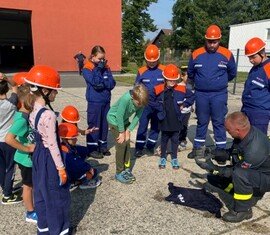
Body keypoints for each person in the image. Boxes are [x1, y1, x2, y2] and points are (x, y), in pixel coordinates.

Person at [196, 112, 270, 223]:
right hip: (254, 172)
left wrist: (215, 168)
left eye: (228, 130)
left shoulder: (254, 150)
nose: (227, 132)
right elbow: (232, 153)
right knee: (213, 179)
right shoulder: (245, 135)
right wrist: (212, 153)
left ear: (238, 130)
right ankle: (244, 192)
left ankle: (243, 210)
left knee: (239, 174)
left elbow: (237, 171)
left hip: (265, 178)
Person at [25, 65, 70, 235]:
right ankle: (59, 231)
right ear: (44, 90)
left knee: (41, 194)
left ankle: (43, 229)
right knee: (57, 196)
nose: (55, 93)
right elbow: (52, 144)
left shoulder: (33, 110)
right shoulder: (49, 115)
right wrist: (61, 168)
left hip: (37, 156)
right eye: (53, 90)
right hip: (49, 158)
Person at [187, 24, 237, 159]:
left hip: (219, 95)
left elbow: (232, 73)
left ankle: (221, 151)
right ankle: (198, 149)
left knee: (218, 121)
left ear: (219, 40)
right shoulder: (196, 54)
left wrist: (218, 83)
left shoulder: (227, 54)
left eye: (215, 42)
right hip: (201, 94)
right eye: (209, 41)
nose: (212, 45)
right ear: (205, 40)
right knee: (202, 121)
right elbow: (190, 73)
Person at [5, 84, 37, 222]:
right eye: (33, 100)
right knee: (28, 186)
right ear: (26, 101)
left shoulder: (26, 115)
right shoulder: (21, 119)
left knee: (32, 185)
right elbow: (9, 139)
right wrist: (28, 149)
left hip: (29, 159)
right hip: (26, 159)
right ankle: (30, 212)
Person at [154, 64, 194, 169]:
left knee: (175, 140)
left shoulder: (181, 88)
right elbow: (149, 99)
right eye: (169, 79)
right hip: (164, 119)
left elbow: (191, 96)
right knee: (164, 139)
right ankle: (162, 157)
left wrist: (184, 104)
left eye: (174, 80)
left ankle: (174, 158)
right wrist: (158, 107)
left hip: (176, 119)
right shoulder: (158, 88)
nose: (172, 82)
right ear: (165, 78)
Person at [107, 84, 149, 184]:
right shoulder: (126, 99)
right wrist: (122, 132)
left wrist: (129, 130)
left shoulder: (141, 101)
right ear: (133, 97)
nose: (139, 106)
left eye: (141, 105)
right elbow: (119, 115)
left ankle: (126, 169)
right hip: (114, 120)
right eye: (138, 104)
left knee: (127, 143)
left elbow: (137, 116)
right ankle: (119, 172)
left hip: (124, 121)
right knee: (121, 145)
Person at [83, 45, 116, 159]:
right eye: (99, 58)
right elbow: (96, 83)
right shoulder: (87, 68)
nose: (102, 61)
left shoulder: (106, 67)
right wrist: (98, 70)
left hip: (106, 101)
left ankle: (102, 146)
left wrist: (104, 83)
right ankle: (92, 148)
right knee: (94, 125)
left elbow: (112, 84)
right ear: (93, 56)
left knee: (104, 125)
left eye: (103, 58)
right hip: (95, 102)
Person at [134, 44, 165, 157]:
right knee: (142, 126)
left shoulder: (163, 70)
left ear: (158, 58)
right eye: (149, 61)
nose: (151, 63)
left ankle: (150, 146)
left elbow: (169, 84)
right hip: (145, 105)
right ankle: (139, 147)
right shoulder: (141, 71)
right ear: (145, 59)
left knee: (156, 126)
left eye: (154, 61)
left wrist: (159, 89)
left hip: (159, 104)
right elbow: (136, 87)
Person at [0, 73, 22, 204]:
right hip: (8, 140)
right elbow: (15, 86)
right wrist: (6, 78)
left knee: (1, 167)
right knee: (10, 168)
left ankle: (5, 188)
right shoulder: (11, 103)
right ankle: (7, 196)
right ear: (6, 89)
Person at [58, 122, 101, 189]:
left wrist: (87, 151)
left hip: (66, 170)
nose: (76, 139)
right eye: (74, 138)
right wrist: (89, 168)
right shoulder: (68, 155)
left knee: (83, 151)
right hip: (68, 174)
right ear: (66, 139)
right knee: (93, 172)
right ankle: (79, 182)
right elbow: (81, 165)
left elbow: (80, 151)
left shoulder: (62, 146)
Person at [242, 37, 270, 135]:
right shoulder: (255, 68)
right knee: (244, 136)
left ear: (262, 54)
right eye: (249, 57)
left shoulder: (268, 69)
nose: (251, 60)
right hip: (247, 109)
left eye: (253, 57)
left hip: (260, 113)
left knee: (258, 140)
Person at [178, 65, 194, 151]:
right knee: (177, 126)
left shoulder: (190, 87)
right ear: (182, 76)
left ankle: (182, 140)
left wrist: (191, 107)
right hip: (179, 111)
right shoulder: (178, 86)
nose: (189, 79)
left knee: (184, 126)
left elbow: (191, 98)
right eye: (187, 76)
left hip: (187, 111)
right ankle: (175, 140)